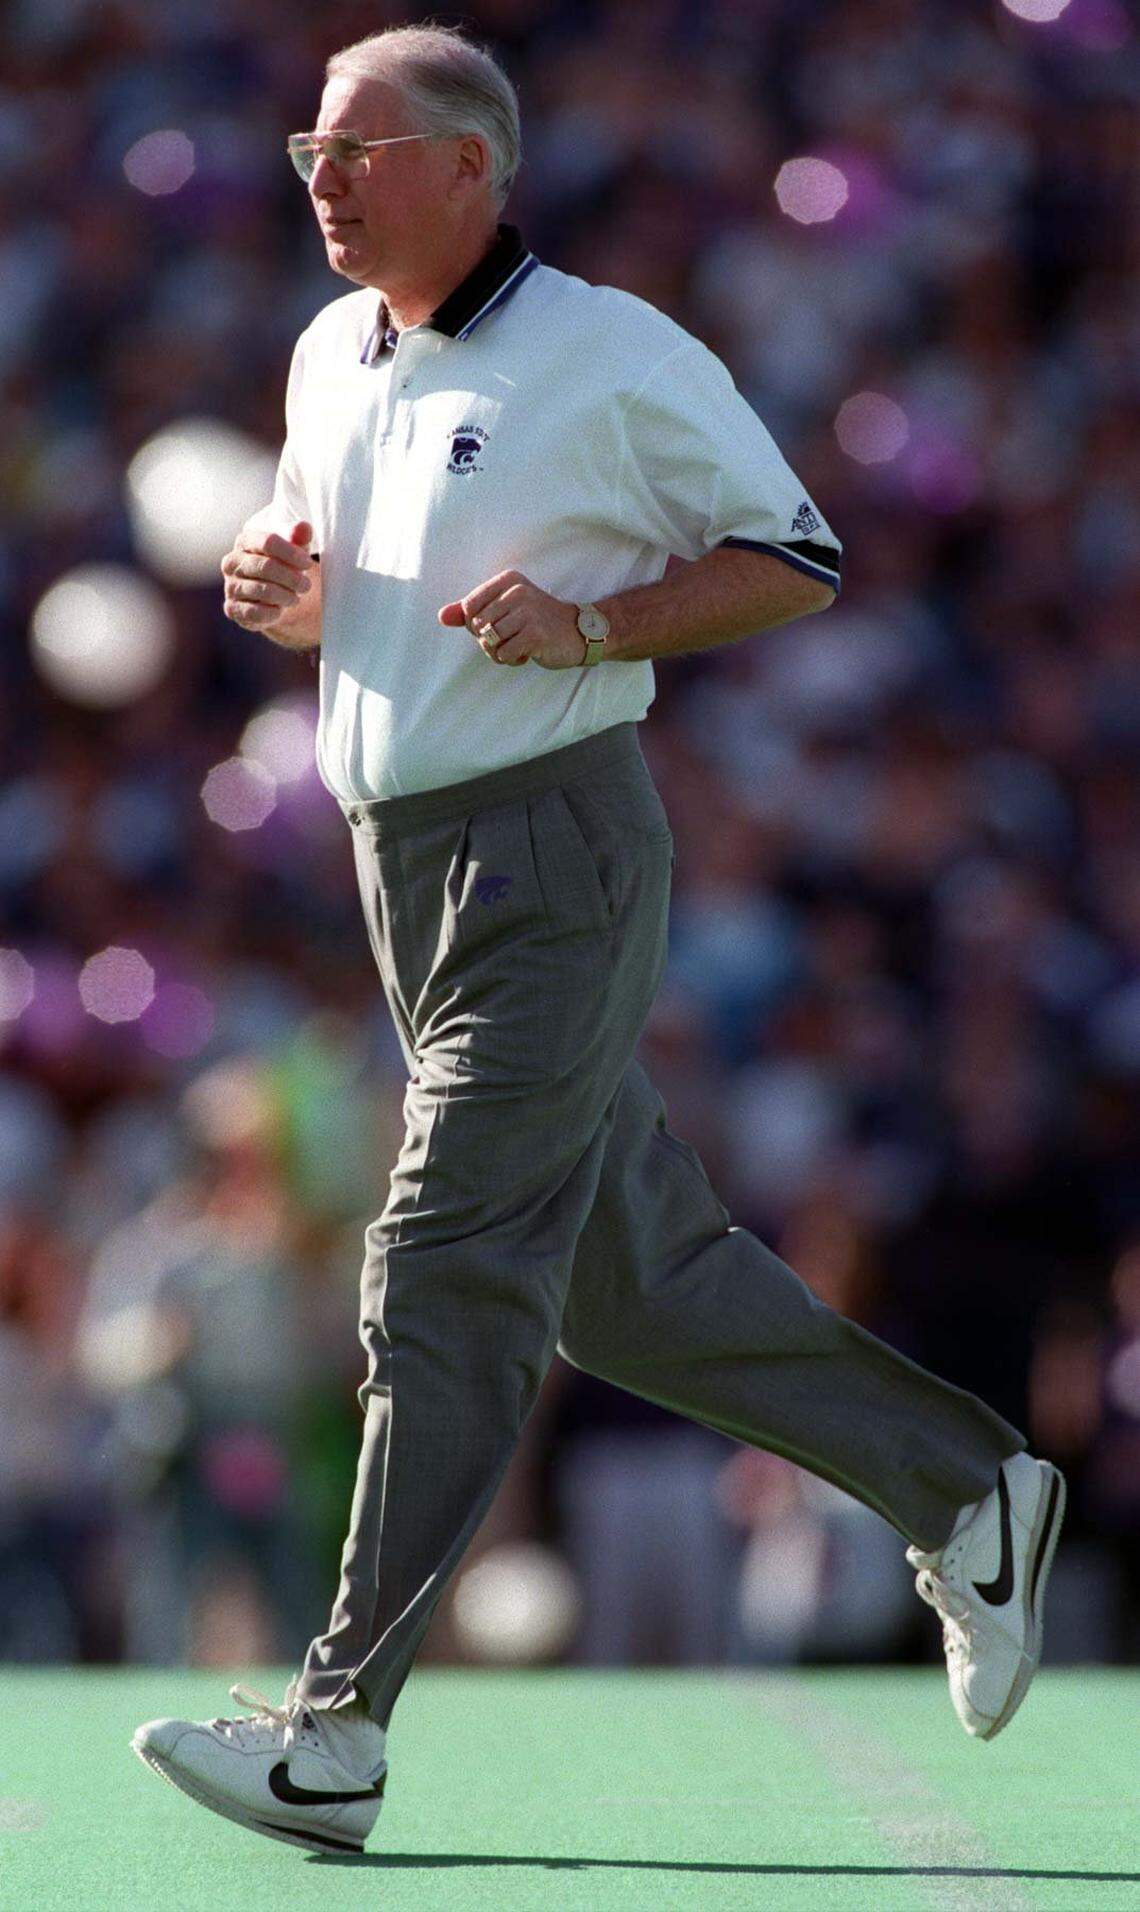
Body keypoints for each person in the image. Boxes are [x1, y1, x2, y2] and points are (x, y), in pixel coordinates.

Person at [130, 23, 1065, 1856]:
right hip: (406, 873)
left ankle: (338, 1736)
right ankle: (974, 1494)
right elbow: (346, 564)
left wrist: (597, 625)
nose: (319, 175)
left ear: (474, 166)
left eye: (359, 147)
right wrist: (289, 592)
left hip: (553, 855)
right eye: (309, 145)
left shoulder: (613, 348)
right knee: (629, 1287)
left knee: (445, 1254)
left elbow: (793, 553)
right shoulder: (333, 348)